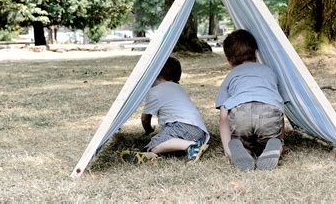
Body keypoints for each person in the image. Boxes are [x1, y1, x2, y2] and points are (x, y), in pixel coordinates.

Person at [216, 29, 285, 171]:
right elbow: (279, 105)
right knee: (270, 140)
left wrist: (226, 148)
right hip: (269, 113)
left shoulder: (231, 76)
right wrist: (280, 138)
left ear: (228, 60)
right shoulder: (269, 71)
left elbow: (223, 115)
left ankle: (240, 150)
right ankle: (275, 145)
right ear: (255, 53)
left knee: (242, 142)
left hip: (241, 115)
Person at [120, 57, 209, 164]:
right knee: (166, 143)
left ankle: (191, 146)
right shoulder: (178, 88)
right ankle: (188, 146)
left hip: (182, 126)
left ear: (156, 74)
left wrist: (148, 130)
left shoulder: (155, 92)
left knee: (155, 143)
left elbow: (145, 118)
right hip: (199, 131)